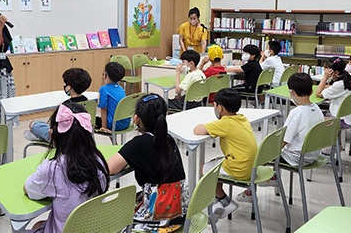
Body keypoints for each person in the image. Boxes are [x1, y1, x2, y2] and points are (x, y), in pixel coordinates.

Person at [237, 73, 325, 202]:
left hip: (295, 157)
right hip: (312, 155)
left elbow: (283, 141)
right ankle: (273, 177)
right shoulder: (316, 109)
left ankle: (250, 191)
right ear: (311, 91)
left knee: (257, 155)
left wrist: (264, 156)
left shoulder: (297, 112)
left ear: (292, 92)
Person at [107, 94, 187, 232]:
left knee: (114, 221)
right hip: (179, 210)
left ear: (136, 118)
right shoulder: (168, 139)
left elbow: (109, 168)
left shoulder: (138, 144)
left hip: (160, 216)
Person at [24, 102, 110, 233]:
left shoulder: (51, 169)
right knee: (40, 224)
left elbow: (28, 189)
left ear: (52, 135)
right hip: (92, 228)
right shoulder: (99, 161)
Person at [193, 88, 257, 220]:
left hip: (240, 168)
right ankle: (220, 201)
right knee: (215, 163)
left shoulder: (225, 123)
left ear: (220, 108)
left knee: (205, 169)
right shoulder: (241, 118)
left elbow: (198, 130)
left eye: (215, 105)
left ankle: (224, 201)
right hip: (252, 165)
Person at [24, 68, 92, 142]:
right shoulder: (88, 103)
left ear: (69, 87)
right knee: (43, 125)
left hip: (62, 140)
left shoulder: (65, 106)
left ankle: (39, 137)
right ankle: (40, 136)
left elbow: (54, 129)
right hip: (82, 137)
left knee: (34, 124)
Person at [316, 58, 351, 128]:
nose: (325, 71)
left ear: (336, 72)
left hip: (341, 120)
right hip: (345, 117)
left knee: (311, 118)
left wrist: (325, 77)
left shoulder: (339, 84)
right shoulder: (346, 78)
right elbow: (330, 87)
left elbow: (318, 93)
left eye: (327, 69)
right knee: (314, 114)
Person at [97, 62, 129, 133]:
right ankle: (114, 142)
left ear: (105, 75)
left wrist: (104, 127)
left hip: (113, 125)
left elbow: (103, 109)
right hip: (125, 123)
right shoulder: (120, 88)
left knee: (92, 121)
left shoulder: (104, 89)